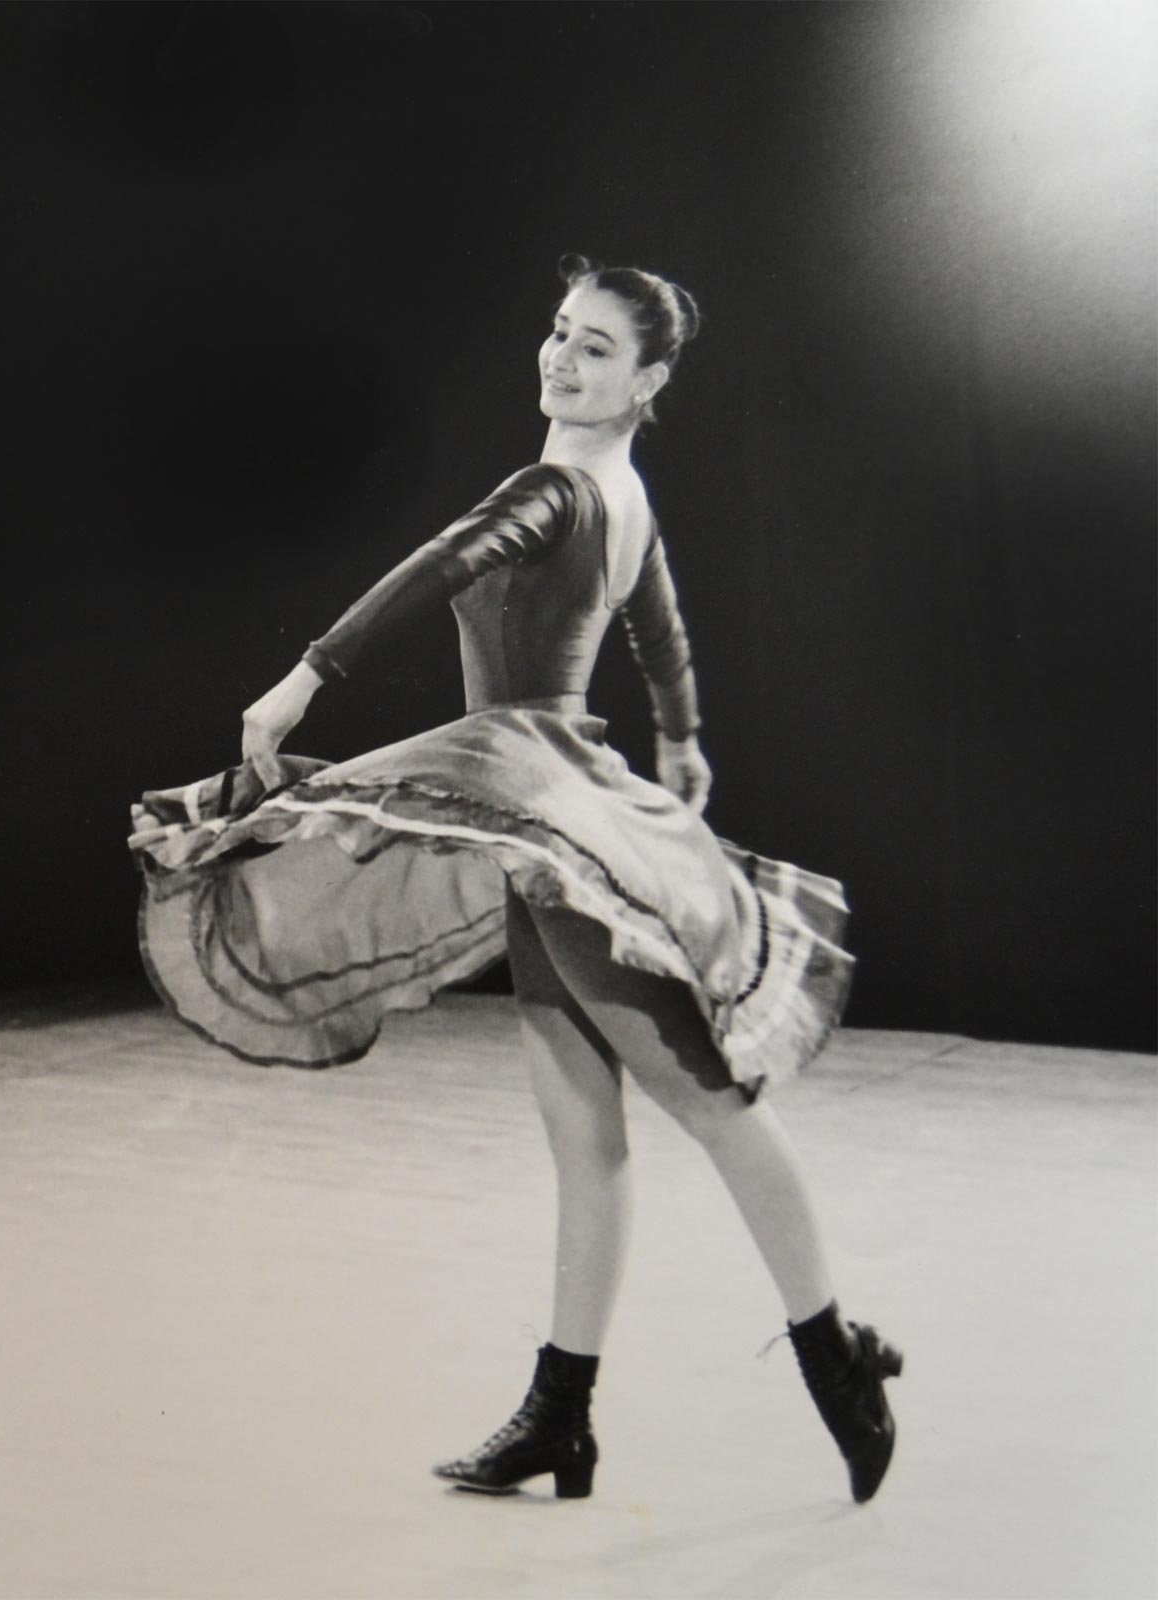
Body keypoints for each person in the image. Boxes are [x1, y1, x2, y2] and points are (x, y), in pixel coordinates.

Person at [129, 254, 901, 1506]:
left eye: (597, 346)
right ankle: (561, 1416)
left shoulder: (556, 487)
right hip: (544, 803)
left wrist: (306, 676)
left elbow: (447, 557)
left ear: (648, 380)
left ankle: (836, 1354)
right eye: (559, 330)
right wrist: (681, 739)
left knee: (706, 1103)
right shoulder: (625, 493)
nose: (562, 356)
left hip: (541, 798)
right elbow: (660, 628)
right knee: (583, 1132)